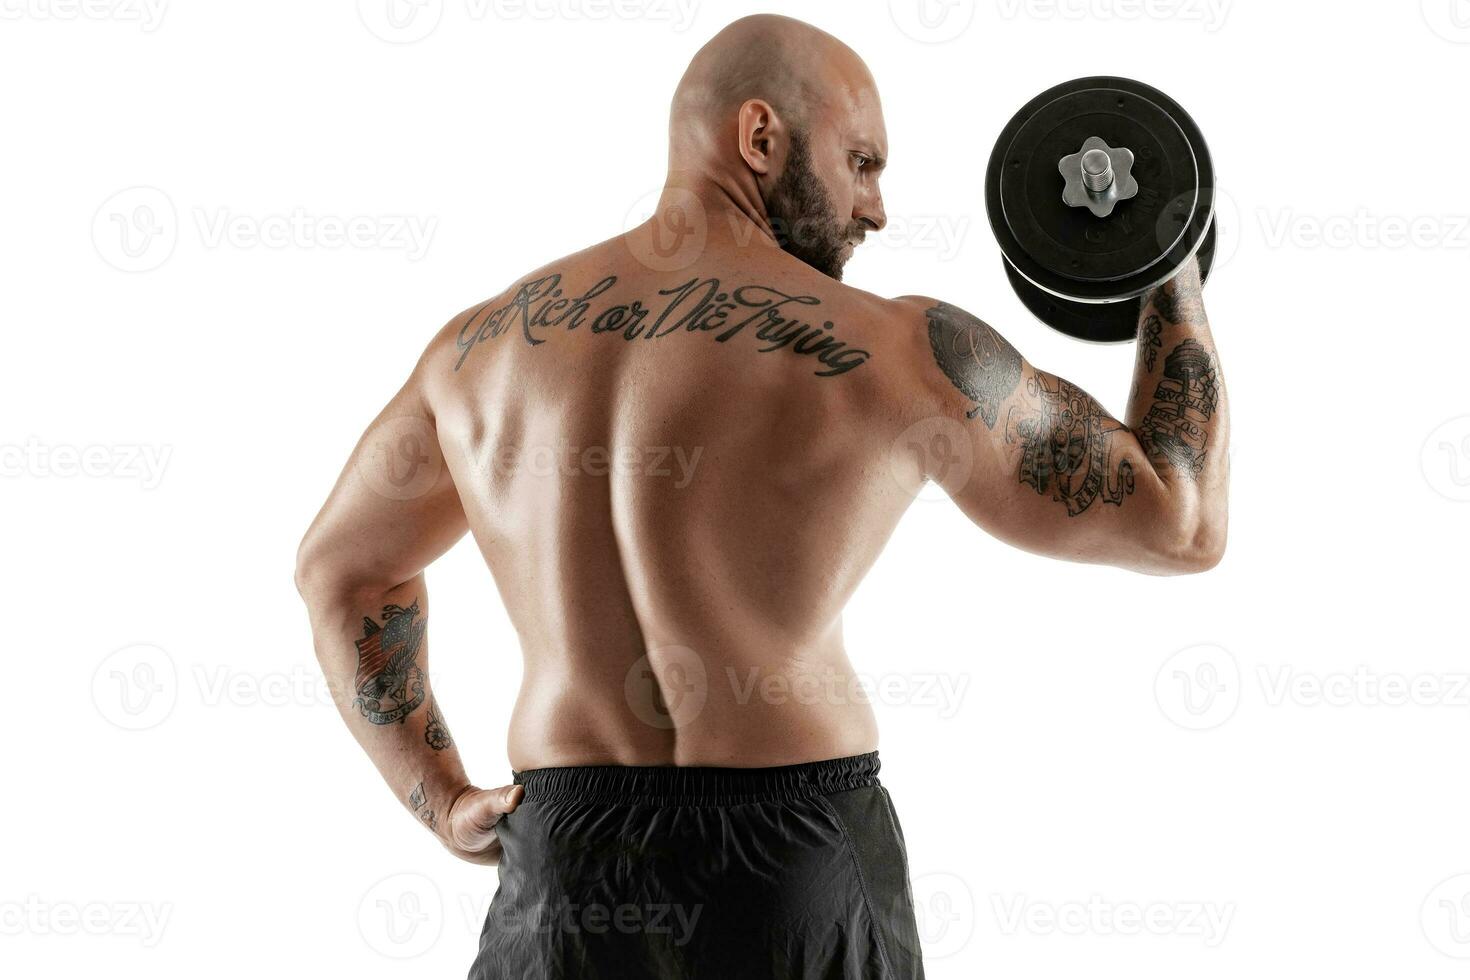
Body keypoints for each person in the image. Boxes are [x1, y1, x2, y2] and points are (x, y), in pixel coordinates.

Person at [295, 14, 1228, 978]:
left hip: (564, 876)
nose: (877, 209)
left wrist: (441, 801)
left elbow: (342, 573)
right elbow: (1181, 521)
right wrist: (1169, 255)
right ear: (759, 136)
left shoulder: (476, 351)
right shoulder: (899, 350)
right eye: (861, 161)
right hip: (793, 865)